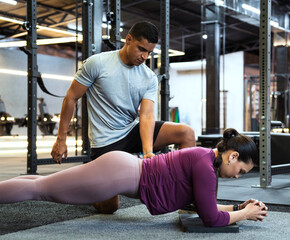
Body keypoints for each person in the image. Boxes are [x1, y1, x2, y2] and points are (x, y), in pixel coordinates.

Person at [51, 21, 195, 213]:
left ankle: (185, 197)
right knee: (109, 207)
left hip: (131, 131)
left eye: (149, 52)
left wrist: (147, 152)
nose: (144, 56)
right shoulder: (98, 63)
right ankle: (90, 187)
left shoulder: (148, 77)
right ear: (128, 40)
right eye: (141, 49)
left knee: (186, 133)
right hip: (106, 142)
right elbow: (71, 98)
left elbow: (146, 115)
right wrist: (61, 139)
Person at [0, 128, 267, 227]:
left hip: (119, 169)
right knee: (41, 190)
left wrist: (238, 208)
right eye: (241, 171)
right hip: (116, 173)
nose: (237, 177)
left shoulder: (204, 159)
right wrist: (245, 215)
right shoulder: (206, 167)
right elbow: (210, 218)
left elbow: (204, 205)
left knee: (39, 184)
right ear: (232, 157)